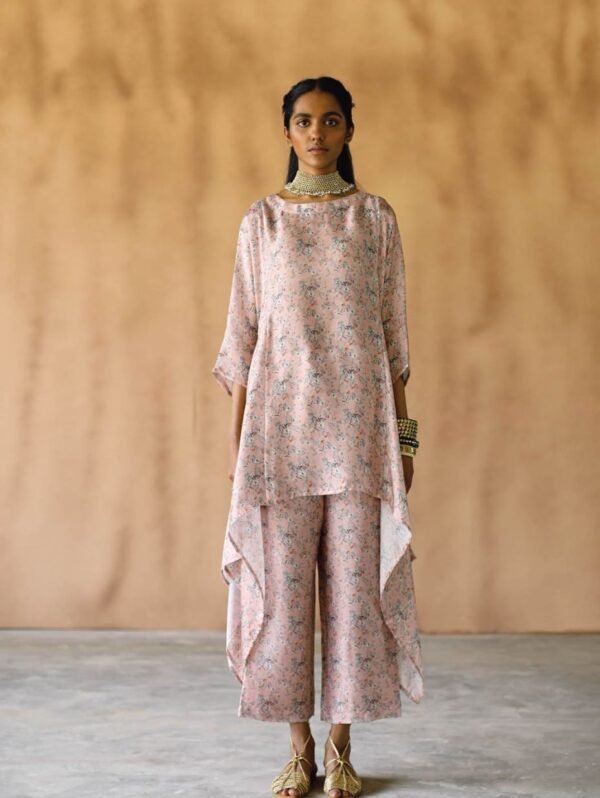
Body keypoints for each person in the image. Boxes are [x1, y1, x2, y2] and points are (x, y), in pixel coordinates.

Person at [212, 76, 424, 798]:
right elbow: (243, 339)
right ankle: (297, 751)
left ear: (349, 130)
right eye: (303, 121)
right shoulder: (261, 224)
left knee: (355, 601)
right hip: (278, 440)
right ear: (287, 132)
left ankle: (341, 751)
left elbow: (395, 340)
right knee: (282, 603)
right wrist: (237, 445)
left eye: (331, 121)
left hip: (360, 439)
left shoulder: (375, 219)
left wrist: (406, 443)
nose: (317, 133)